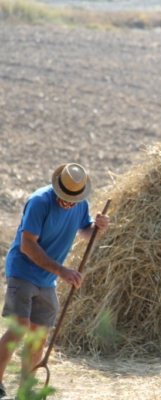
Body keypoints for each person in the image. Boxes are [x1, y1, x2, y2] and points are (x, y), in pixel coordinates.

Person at [0, 163, 109, 399]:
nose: (68, 203)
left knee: (38, 339)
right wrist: (62, 271)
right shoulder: (40, 201)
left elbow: (86, 231)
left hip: (48, 278)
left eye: (73, 199)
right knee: (20, 329)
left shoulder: (80, 204)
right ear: (57, 187)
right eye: (64, 197)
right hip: (23, 270)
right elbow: (27, 245)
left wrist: (98, 227)